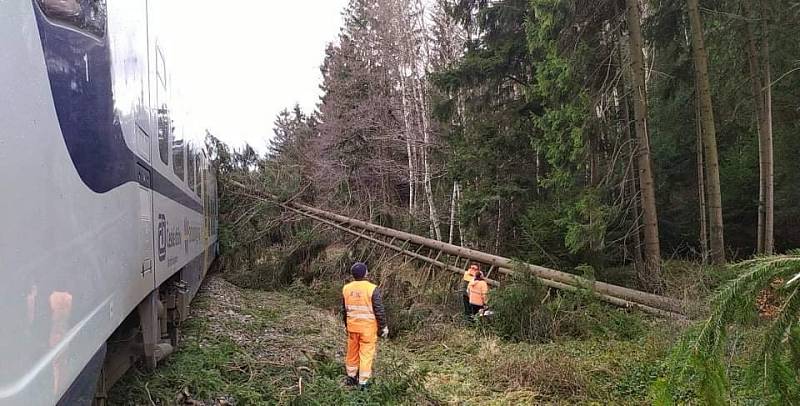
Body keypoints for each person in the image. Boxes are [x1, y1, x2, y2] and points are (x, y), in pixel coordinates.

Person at [341, 262, 388, 390]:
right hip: (367, 329)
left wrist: (346, 325)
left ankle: (351, 377)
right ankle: (363, 382)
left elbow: (344, 310)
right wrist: (383, 327)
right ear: (366, 273)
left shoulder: (346, 288)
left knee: (352, 352)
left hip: (352, 327)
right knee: (366, 354)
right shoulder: (372, 288)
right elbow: (379, 310)